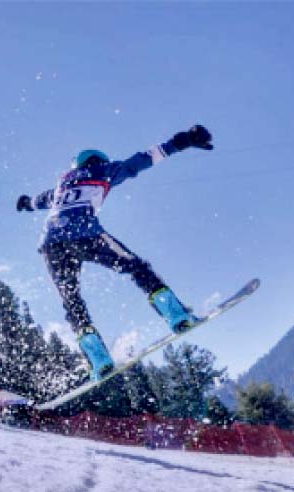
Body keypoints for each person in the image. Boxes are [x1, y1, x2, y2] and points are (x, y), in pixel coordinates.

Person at [16, 125, 213, 379]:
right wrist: (182, 141)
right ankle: (177, 316)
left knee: (71, 299)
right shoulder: (102, 171)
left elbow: (40, 200)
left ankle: (98, 359)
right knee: (137, 267)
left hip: (50, 244)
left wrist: (26, 203)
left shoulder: (61, 186)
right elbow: (138, 162)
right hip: (85, 233)